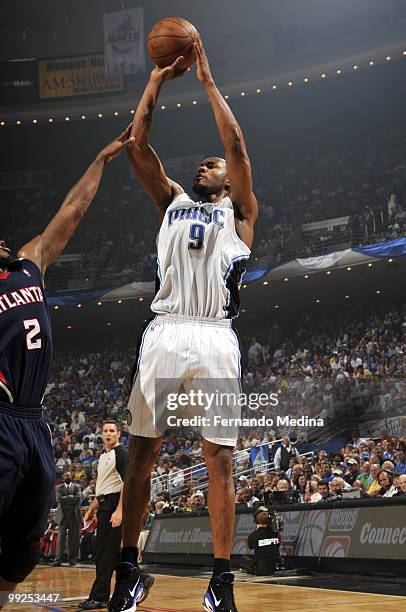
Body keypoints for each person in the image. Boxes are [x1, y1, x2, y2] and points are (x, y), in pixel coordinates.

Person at [109, 34, 257, 612]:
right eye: (203, 161)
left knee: (218, 458)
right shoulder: (171, 199)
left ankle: (222, 579)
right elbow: (137, 144)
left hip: (216, 335)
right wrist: (155, 80)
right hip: (167, 330)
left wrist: (206, 82)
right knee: (142, 451)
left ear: (228, 180)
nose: (206, 162)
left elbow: (238, 145)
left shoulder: (240, 214)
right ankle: (129, 570)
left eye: (213, 163)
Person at [0, 127, 134, 602]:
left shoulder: (28, 265)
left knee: (26, 544)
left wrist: (101, 158)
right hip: (2, 412)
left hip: (34, 421)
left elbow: (72, 210)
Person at [78, 420, 129, 610]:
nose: (108, 433)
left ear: (118, 435)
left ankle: (99, 597)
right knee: (106, 553)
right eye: (105, 430)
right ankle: (138, 578)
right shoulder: (103, 456)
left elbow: (127, 483)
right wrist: (91, 510)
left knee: (105, 554)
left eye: (112, 431)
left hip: (115, 505)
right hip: (104, 504)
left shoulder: (122, 454)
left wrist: (120, 510)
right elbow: (102, 489)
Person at [53, 471, 83, 566]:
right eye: (66, 475)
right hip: (63, 515)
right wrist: (71, 498)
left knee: (73, 539)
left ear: (72, 477)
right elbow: (59, 499)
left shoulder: (77, 487)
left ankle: (72, 560)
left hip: (74, 515)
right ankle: (58, 560)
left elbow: (78, 498)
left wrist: (66, 498)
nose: (67, 476)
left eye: (69, 475)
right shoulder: (58, 487)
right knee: (60, 539)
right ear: (63, 477)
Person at [243, 507, 281, 575]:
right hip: (276, 565)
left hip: (262, 569)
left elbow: (250, 547)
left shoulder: (253, 536)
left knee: (244, 559)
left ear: (256, 521)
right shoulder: (275, 533)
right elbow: (279, 543)